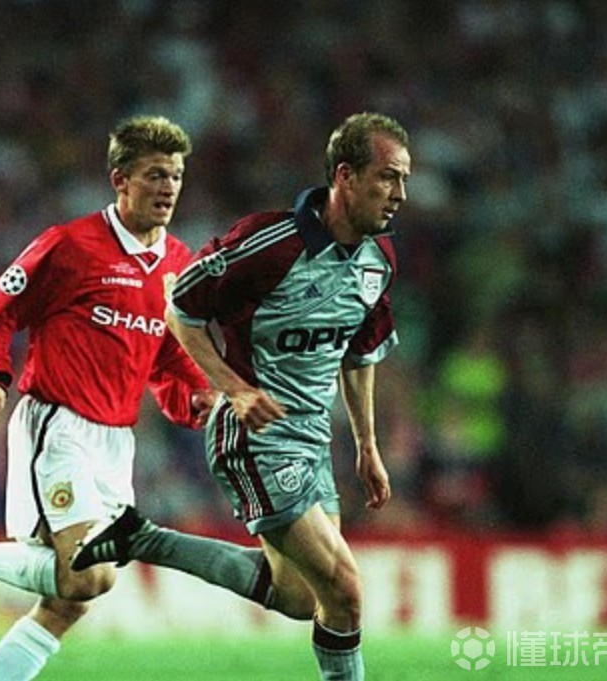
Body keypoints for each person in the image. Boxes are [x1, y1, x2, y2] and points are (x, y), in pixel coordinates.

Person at [72, 112, 410, 681]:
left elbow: (359, 355)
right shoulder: (270, 245)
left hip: (310, 441)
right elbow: (180, 310)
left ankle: (142, 538)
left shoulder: (380, 260)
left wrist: (367, 446)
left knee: (301, 596)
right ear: (346, 176)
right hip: (254, 436)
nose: (400, 194)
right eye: (388, 177)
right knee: (345, 590)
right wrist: (235, 391)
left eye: (403, 180)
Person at [0, 115, 213, 680]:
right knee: (89, 575)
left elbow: (170, 353)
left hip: (116, 441)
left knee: (69, 601)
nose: (168, 187)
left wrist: (195, 396)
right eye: (154, 174)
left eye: (175, 175)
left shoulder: (178, 264)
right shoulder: (70, 246)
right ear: (120, 180)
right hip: (60, 425)